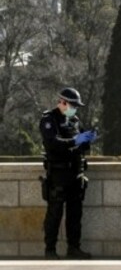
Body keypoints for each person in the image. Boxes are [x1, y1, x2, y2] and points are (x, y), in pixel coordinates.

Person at [40, 87, 97, 260]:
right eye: (73, 105)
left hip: (75, 173)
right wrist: (75, 140)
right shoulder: (49, 119)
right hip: (59, 174)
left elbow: (81, 144)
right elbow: (52, 143)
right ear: (62, 102)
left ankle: (74, 248)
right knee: (54, 213)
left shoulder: (75, 120)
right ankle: (50, 249)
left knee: (75, 214)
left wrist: (88, 139)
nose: (75, 109)